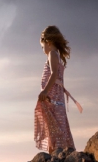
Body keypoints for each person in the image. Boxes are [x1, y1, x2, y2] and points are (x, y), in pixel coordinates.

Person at [34, 26, 82, 154]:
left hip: (53, 98)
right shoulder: (56, 55)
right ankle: (57, 151)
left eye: (42, 46)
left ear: (48, 42)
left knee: (53, 126)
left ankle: (55, 153)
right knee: (55, 125)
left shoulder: (52, 54)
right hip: (56, 97)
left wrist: (45, 91)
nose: (43, 50)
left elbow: (54, 74)